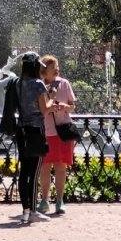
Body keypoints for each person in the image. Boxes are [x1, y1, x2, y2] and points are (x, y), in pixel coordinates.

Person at [35, 54, 77, 217]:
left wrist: (65, 107)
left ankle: (60, 200)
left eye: (57, 66)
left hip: (62, 131)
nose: (57, 69)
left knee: (61, 166)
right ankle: (44, 200)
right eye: (53, 68)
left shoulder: (64, 84)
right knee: (44, 167)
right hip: (46, 131)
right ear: (45, 70)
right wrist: (49, 107)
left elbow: (72, 106)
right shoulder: (39, 86)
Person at [12, 52, 47, 225]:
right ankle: (33, 210)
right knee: (34, 171)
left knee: (24, 171)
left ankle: (25, 209)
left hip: (21, 130)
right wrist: (52, 98)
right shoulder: (38, 84)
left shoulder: (17, 83)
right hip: (36, 130)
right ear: (34, 66)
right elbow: (45, 109)